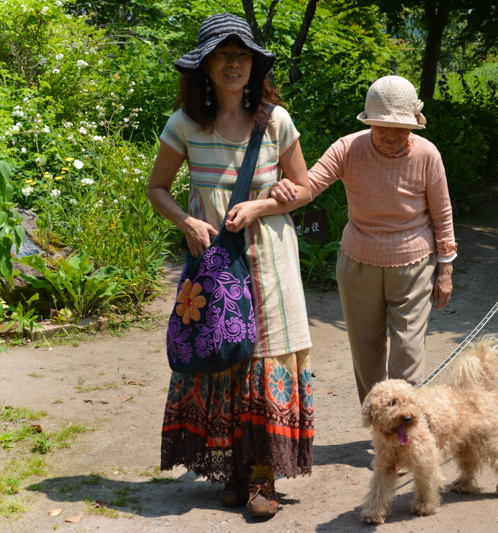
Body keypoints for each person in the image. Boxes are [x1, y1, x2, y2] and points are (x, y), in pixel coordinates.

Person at [147, 13, 314, 517]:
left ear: (255, 66)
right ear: (205, 67)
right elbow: (157, 189)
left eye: (243, 55)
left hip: (270, 259)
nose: (235, 63)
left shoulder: (276, 121)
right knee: (226, 354)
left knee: (267, 354)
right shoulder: (184, 125)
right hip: (216, 262)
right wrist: (186, 222)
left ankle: (264, 477)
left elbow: (304, 188)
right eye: (224, 55)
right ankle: (237, 471)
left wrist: (265, 204)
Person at [271, 75, 457, 403]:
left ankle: (406, 429)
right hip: (358, 262)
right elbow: (309, 185)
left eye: (400, 127)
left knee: (408, 352)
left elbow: (442, 215)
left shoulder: (427, 155)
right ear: (368, 122)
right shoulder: (348, 148)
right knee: (366, 350)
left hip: (414, 265)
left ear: (414, 124)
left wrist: (446, 269)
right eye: (381, 126)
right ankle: (379, 426)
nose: (391, 134)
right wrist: (281, 190)